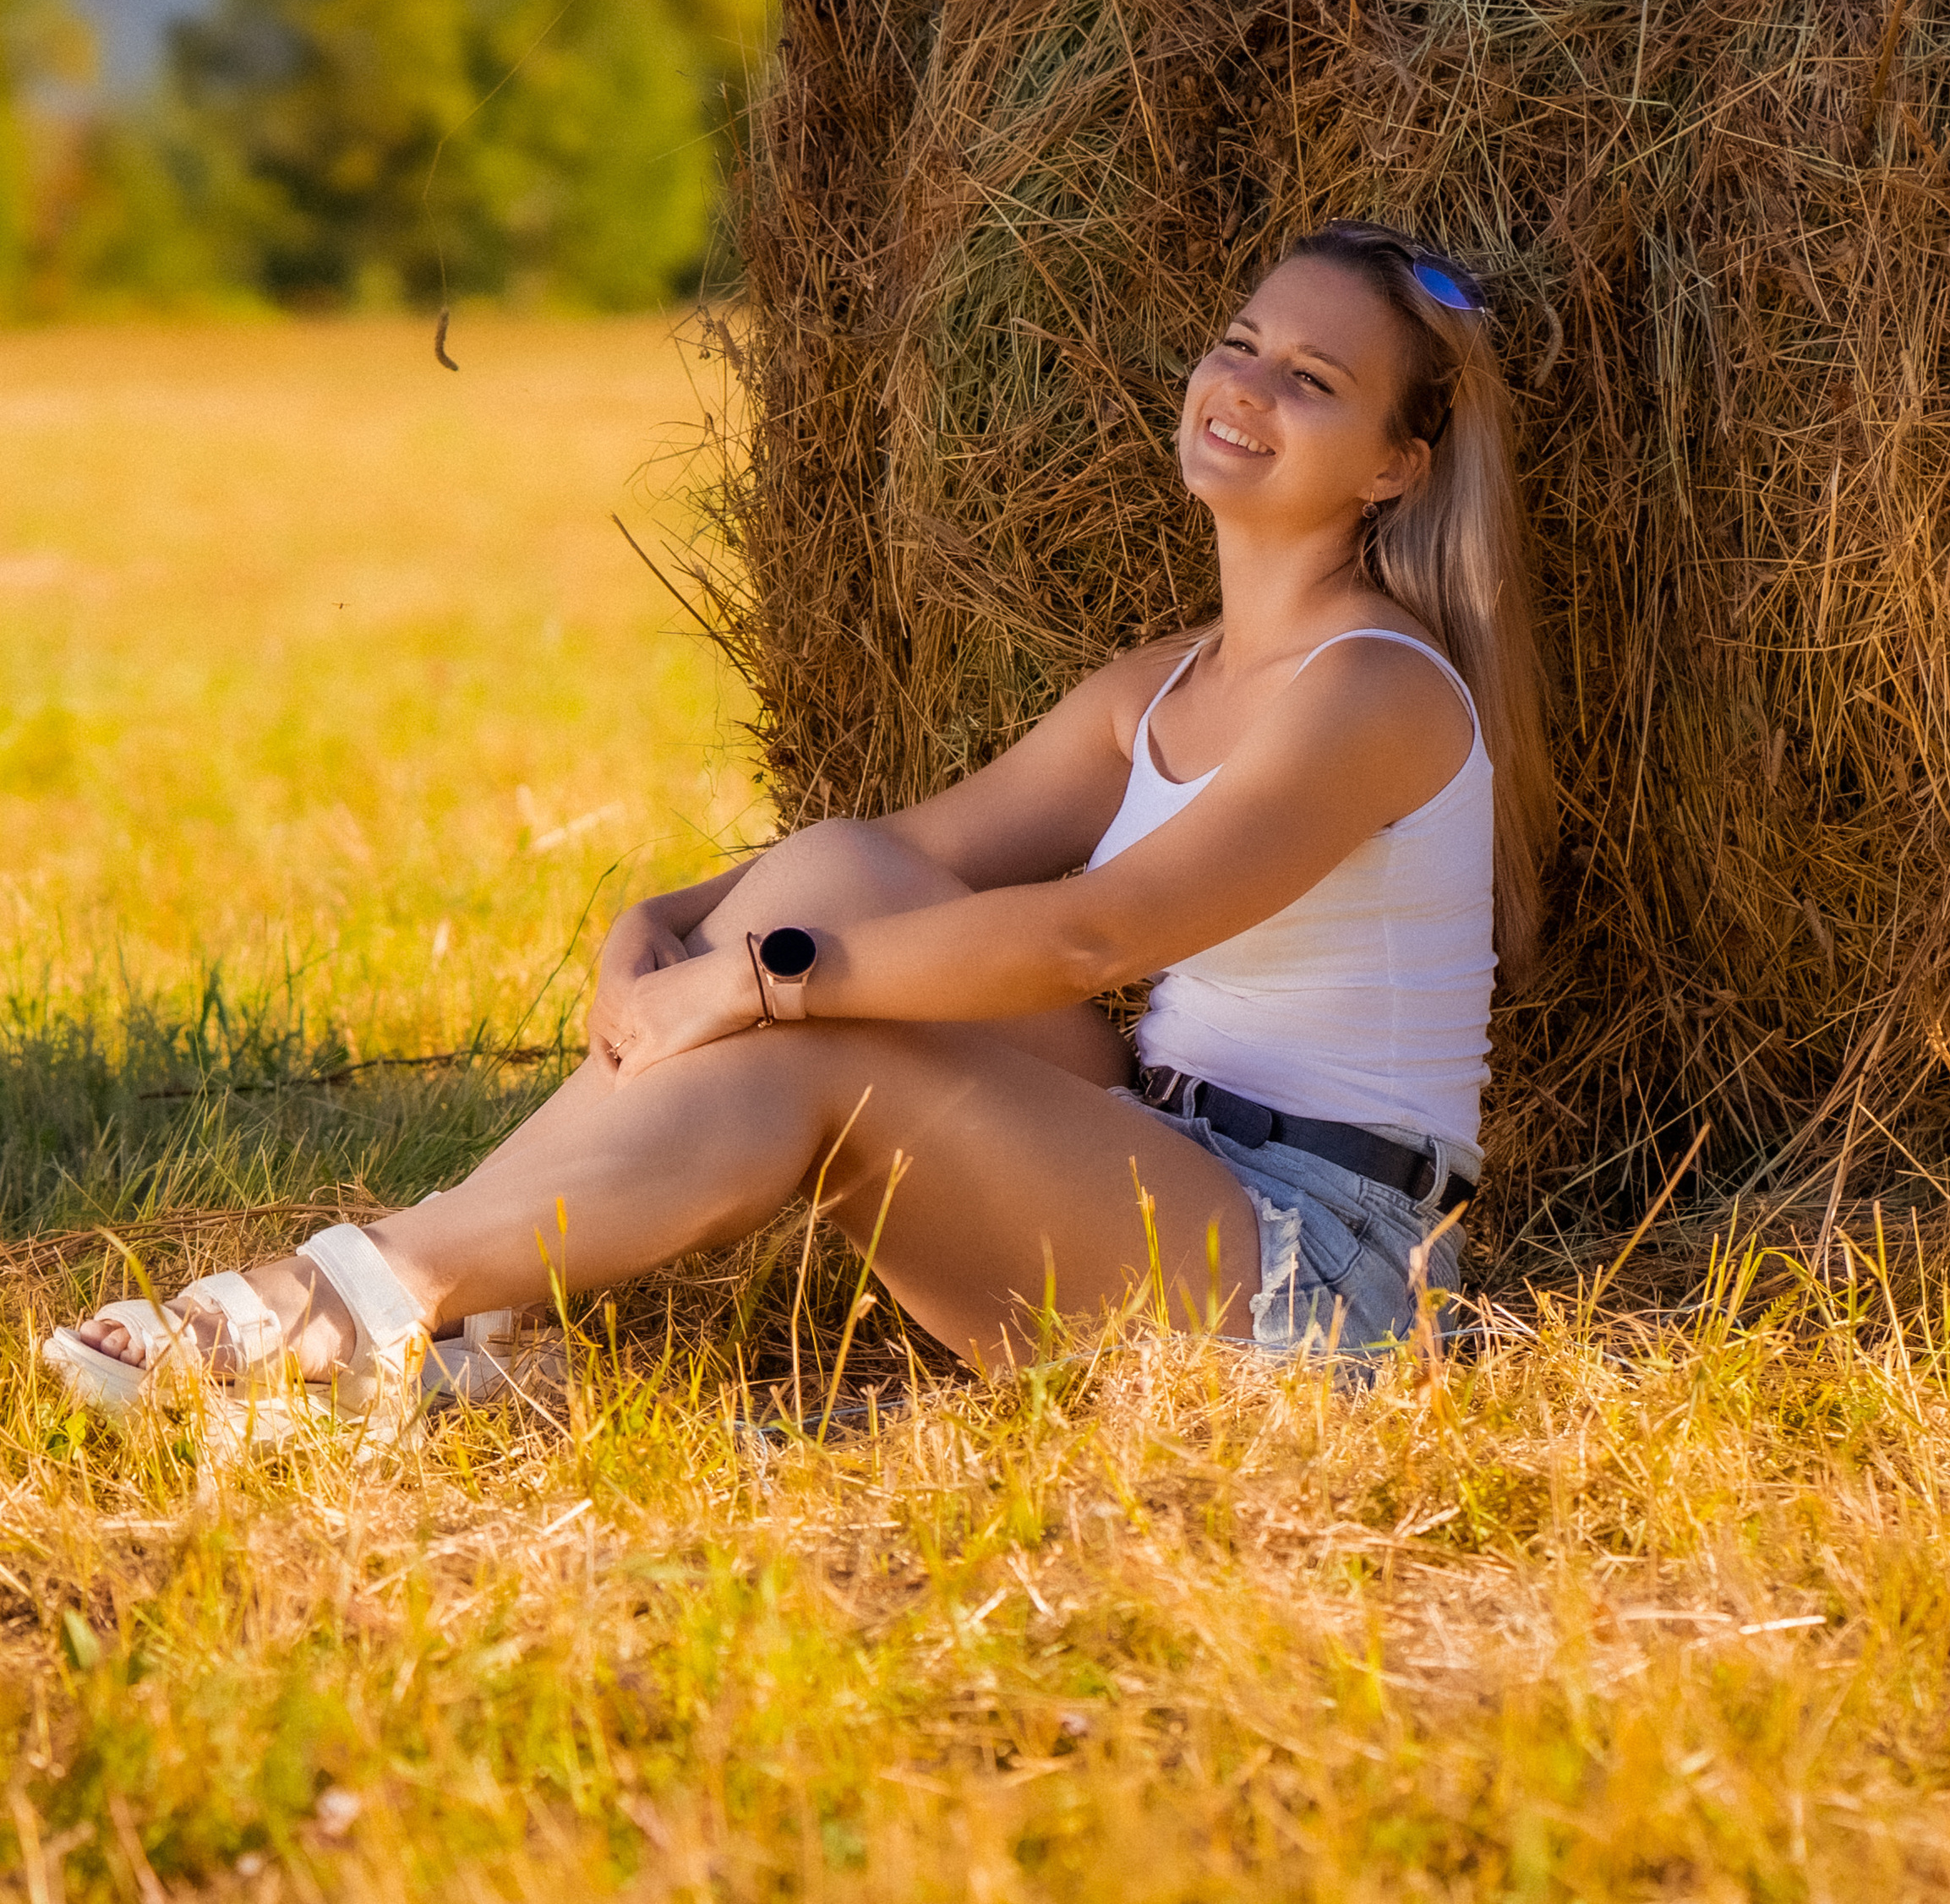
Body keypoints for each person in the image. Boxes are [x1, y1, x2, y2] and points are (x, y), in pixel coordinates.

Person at [45, 219, 1554, 1434]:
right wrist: (663, 922)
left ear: (1395, 467)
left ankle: (360, 1293)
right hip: (1167, 1155)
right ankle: (472, 1307)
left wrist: (756, 983)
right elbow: (904, 857)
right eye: (1241, 342)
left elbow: (1091, 936)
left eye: (1313, 379)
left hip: (1321, 1277)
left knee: (820, 1036)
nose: (1247, 384)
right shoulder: (1163, 685)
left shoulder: (1377, 689)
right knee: (839, 870)